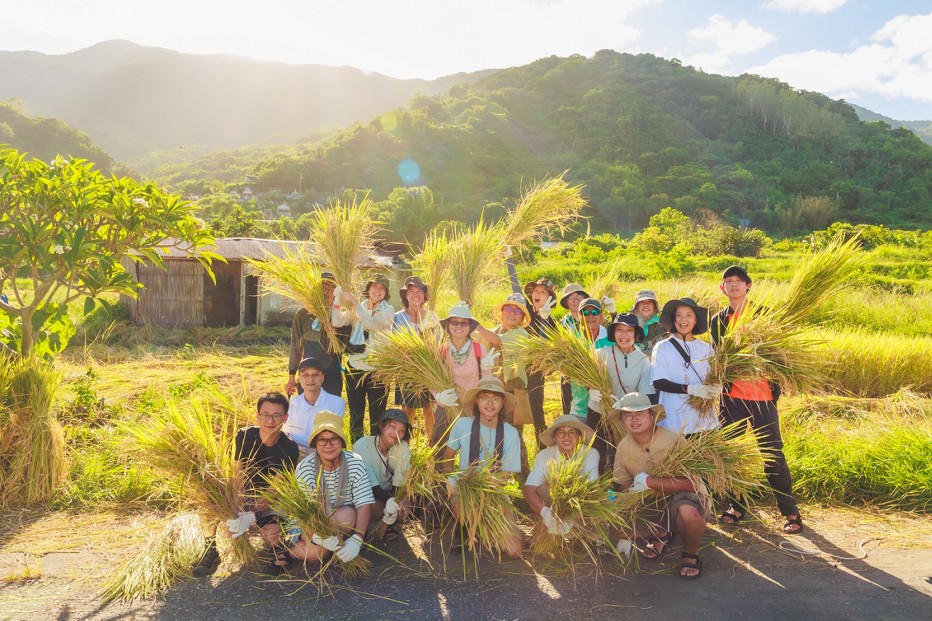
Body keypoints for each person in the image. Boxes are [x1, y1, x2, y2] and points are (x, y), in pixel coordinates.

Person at [710, 265, 802, 534]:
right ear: (722, 287)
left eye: (739, 281)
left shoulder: (764, 315)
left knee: (772, 456)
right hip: (731, 398)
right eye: (729, 281)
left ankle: (790, 511)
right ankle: (737, 505)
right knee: (733, 456)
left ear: (749, 285)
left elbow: (780, 355)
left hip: (762, 397)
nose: (734, 285)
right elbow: (718, 359)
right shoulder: (718, 320)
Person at [195, 392, 299, 577]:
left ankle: (277, 547)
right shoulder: (244, 436)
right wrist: (235, 506)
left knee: (272, 537)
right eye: (265, 414)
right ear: (257, 415)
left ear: (285, 418)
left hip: (272, 500)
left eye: (276, 415)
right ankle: (210, 549)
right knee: (207, 505)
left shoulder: (290, 447)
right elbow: (238, 473)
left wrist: (252, 515)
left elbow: (274, 489)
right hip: (244, 494)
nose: (270, 420)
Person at [612, 393, 709, 579]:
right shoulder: (623, 447)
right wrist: (624, 529)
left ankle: (691, 554)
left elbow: (692, 483)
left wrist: (649, 481)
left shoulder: (673, 440)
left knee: (688, 513)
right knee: (615, 527)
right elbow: (624, 488)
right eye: (628, 415)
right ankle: (661, 534)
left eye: (640, 414)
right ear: (622, 420)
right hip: (652, 501)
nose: (634, 419)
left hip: (684, 497)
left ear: (651, 415)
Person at [439, 376, 523, 558]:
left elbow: (506, 475)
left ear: (502, 403)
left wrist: (487, 492)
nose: (490, 403)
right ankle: (464, 526)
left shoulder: (510, 433)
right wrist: (454, 481)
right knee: (463, 508)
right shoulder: (462, 425)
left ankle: (485, 525)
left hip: (496, 490)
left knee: (514, 551)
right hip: (465, 487)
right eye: (485, 397)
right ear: (477, 400)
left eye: (496, 398)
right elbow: (447, 459)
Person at [287, 412, 374, 564]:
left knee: (348, 516)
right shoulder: (305, 468)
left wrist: (357, 538)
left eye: (334, 439)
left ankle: (331, 544)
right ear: (315, 443)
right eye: (322, 440)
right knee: (315, 554)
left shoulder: (355, 463)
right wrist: (315, 534)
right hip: (310, 522)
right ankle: (287, 545)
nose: (328, 445)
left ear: (342, 442)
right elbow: (306, 513)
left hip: (339, 518)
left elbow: (364, 502)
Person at [587, 313, 654, 473]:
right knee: (597, 451)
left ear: (636, 334)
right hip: (599, 411)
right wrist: (590, 389)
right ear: (613, 333)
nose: (624, 335)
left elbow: (645, 394)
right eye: (620, 330)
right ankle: (596, 486)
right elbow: (586, 377)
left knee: (621, 451)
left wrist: (625, 403)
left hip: (624, 415)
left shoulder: (643, 360)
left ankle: (619, 489)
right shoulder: (600, 353)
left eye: (629, 330)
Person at [476, 292, 532, 471]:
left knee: (514, 435)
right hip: (492, 392)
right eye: (508, 308)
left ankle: (523, 479)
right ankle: (494, 477)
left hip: (512, 392)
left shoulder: (521, 334)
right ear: (501, 311)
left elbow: (497, 341)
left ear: (523, 317)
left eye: (518, 310)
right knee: (491, 434)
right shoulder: (493, 330)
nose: (513, 313)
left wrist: (475, 324)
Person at [651, 298, 722, 436]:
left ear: (696, 320)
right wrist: (691, 389)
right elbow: (658, 382)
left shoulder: (706, 349)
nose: (684, 320)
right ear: (674, 320)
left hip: (704, 422)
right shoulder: (662, 347)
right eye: (679, 315)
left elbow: (713, 378)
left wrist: (717, 387)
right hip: (674, 423)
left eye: (689, 315)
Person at [523, 415, 599, 537]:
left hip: (581, 508)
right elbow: (529, 489)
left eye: (572, 433)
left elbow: (591, 489)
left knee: (593, 537)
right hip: (551, 507)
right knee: (542, 489)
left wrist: (571, 518)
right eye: (561, 433)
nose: (567, 437)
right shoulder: (545, 455)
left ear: (579, 436)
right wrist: (545, 513)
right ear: (554, 437)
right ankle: (548, 526)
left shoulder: (590, 454)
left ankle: (580, 531)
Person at [432, 301, 496, 443]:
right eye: (454, 322)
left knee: (472, 447)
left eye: (464, 323)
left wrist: (486, 369)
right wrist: (438, 395)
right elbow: (432, 379)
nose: (459, 326)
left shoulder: (479, 349)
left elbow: (486, 383)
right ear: (448, 326)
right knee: (441, 445)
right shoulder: (442, 350)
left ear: (470, 327)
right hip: (448, 405)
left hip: (472, 406)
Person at [342, 274, 395, 441]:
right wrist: (338, 300)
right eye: (374, 286)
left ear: (386, 293)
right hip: (355, 366)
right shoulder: (358, 307)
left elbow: (371, 325)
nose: (377, 290)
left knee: (377, 414)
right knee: (356, 412)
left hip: (377, 369)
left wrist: (355, 304)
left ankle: (376, 449)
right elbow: (338, 320)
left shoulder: (388, 311)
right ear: (368, 289)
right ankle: (356, 447)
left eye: (382, 288)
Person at [286, 271, 352, 398]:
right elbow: (295, 346)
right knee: (308, 412)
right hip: (308, 374)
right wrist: (291, 377)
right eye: (323, 288)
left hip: (332, 373)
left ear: (336, 292)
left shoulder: (343, 315)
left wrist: (336, 331)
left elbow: (347, 345)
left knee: (330, 414)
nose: (326, 292)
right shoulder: (304, 314)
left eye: (331, 288)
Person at [352, 409, 413, 540]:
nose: (397, 433)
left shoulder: (402, 447)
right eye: (392, 426)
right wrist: (387, 501)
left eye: (402, 430)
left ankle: (389, 523)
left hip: (389, 492)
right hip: (368, 493)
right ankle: (369, 525)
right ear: (381, 426)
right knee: (374, 507)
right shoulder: (362, 446)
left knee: (404, 508)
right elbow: (370, 485)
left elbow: (399, 482)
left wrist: (394, 503)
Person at [392, 276, 440, 435]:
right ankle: (404, 443)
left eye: (419, 291)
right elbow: (395, 344)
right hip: (407, 369)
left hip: (429, 368)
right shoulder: (398, 317)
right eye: (411, 291)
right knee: (408, 409)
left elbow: (439, 343)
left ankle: (432, 445)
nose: (415, 294)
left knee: (430, 408)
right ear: (406, 295)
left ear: (425, 295)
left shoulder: (432, 317)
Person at [285, 357, 346, 457]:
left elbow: (329, 438)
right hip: (295, 453)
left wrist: (294, 437)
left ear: (322, 377)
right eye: (305, 375)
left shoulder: (337, 403)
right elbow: (286, 435)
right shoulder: (290, 404)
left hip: (325, 455)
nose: (310, 379)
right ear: (299, 379)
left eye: (315, 375)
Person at [522, 277, 558, 446]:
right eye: (535, 290)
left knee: (537, 411)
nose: (537, 294)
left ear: (550, 298)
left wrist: (546, 319)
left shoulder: (551, 322)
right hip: (515, 368)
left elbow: (558, 346)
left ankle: (542, 449)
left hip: (535, 371)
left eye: (542, 292)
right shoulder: (524, 312)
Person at [568, 298, 610, 422]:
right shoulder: (572, 341)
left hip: (607, 406)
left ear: (601, 315)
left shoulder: (611, 339)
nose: (590, 316)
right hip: (580, 406)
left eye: (594, 312)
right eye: (585, 313)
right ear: (579, 316)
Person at [558, 283, 590, 415]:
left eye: (579, 297)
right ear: (567, 303)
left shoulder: (592, 317)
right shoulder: (563, 323)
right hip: (569, 371)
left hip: (591, 368)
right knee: (570, 408)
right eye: (571, 298)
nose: (575, 300)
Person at [629, 289, 666, 357]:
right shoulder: (629, 324)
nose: (646, 305)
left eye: (650, 302)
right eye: (641, 302)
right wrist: (613, 314)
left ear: (655, 306)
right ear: (636, 306)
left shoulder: (663, 325)